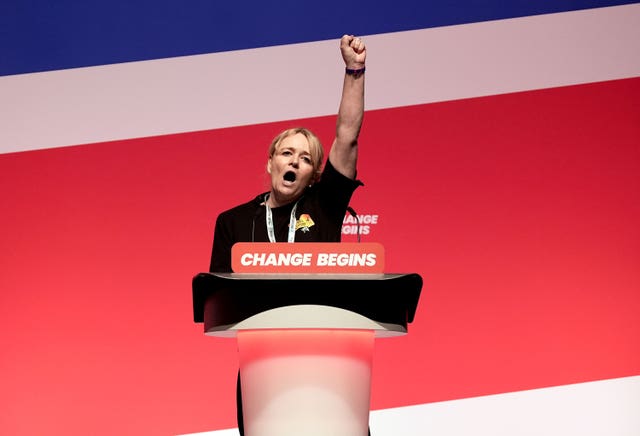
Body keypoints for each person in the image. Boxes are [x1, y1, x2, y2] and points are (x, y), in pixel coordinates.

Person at [209, 34, 366, 435]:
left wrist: (354, 71)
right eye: (286, 153)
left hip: (328, 362)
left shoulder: (323, 206)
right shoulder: (232, 222)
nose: (294, 161)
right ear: (270, 162)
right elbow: (219, 304)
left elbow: (347, 135)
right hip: (265, 369)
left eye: (306, 157)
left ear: (315, 174)